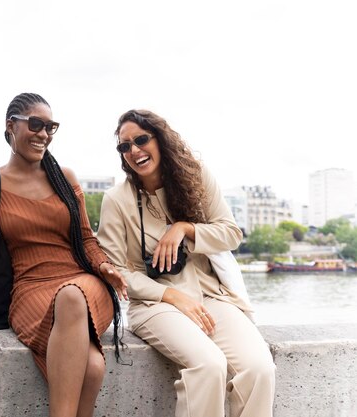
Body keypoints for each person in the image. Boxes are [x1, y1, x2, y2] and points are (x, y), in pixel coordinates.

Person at [0, 92, 128, 417]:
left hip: (82, 284)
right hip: (29, 292)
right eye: (36, 124)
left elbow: (86, 239)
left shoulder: (64, 179)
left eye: (51, 127)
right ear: (11, 125)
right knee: (92, 367)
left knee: (71, 296)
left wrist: (105, 267)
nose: (44, 134)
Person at [97, 109, 275, 417]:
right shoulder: (117, 199)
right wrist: (171, 296)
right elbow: (118, 270)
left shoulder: (197, 178)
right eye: (124, 146)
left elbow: (231, 233)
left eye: (141, 140)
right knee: (209, 365)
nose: (134, 151)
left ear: (161, 140)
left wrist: (184, 229)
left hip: (211, 296)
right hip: (155, 305)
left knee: (260, 368)